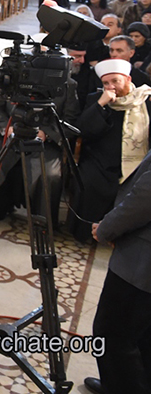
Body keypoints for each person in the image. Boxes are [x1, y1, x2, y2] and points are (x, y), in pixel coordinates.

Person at [0, 69, 79, 224]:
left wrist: (46, 134)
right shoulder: (15, 77)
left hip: (45, 141)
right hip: (11, 135)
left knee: (49, 175)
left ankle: (41, 224)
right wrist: (6, 128)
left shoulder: (68, 85)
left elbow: (71, 120)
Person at [86, 150, 151, 394]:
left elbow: (144, 198)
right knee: (142, 337)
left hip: (142, 262)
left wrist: (108, 229)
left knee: (113, 335)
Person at [69, 59, 151, 243]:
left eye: (115, 81)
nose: (111, 86)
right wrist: (100, 105)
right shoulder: (96, 100)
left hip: (138, 163)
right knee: (89, 182)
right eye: (106, 83)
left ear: (128, 79)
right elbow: (82, 130)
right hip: (101, 161)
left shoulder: (146, 99)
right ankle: (86, 234)